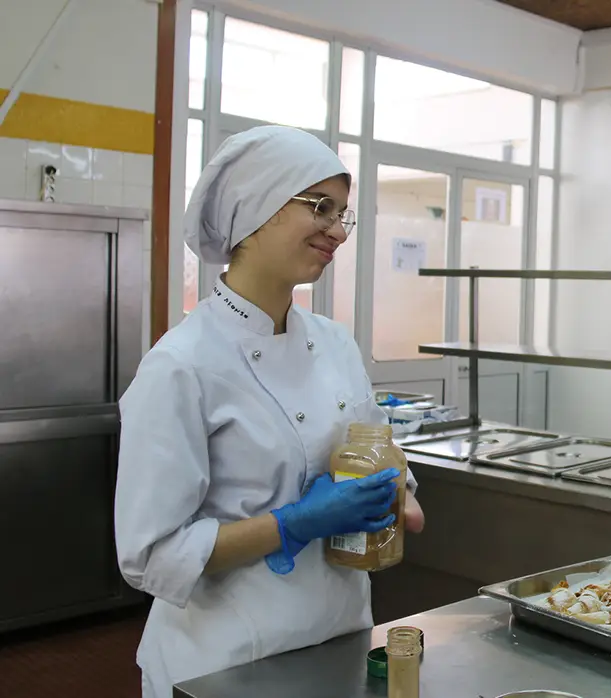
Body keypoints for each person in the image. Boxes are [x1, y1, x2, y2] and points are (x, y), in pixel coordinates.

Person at [114, 125, 426, 698]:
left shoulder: (334, 344)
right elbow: (150, 557)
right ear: (252, 210)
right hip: (224, 661)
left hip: (337, 640)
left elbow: (387, 461)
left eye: (344, 214)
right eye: (320, 207)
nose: (338, 230)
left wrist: (395, 494)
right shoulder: (182, 365)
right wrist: (292, 525)